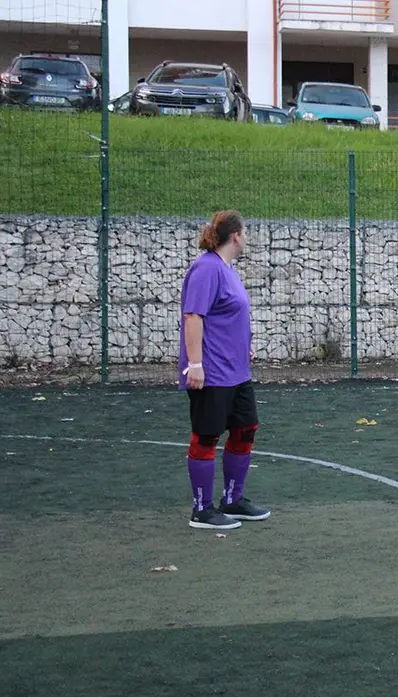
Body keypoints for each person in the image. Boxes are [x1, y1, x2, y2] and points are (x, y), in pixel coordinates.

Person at [178, 210, 269, 531]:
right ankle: (202, 510)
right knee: (206, 437)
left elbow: (227, 315)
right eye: (246, 232)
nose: (248, 238)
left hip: (237, 371)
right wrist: (195, 364)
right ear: (235, 236)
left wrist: (244, 344)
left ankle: (233, 500)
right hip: (212, 372)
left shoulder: (228, 271)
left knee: (246, 429)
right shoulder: (206, 269)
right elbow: (193, 317)